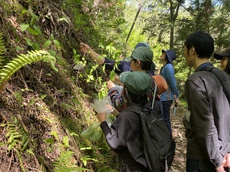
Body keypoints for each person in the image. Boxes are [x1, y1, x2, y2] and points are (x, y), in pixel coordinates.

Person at [183, 31, 230, 172]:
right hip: (224, 152)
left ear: (192, 50)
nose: (184, 53)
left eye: (184, 49)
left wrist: (217, 164)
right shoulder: (223, 75)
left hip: (203, 158)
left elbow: (204, 124)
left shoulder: (195, 80)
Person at [96, 71, 152, 172]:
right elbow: (134, 126)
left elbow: (114, 143)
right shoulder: (149, 110)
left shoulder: (127, 115)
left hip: (133, 167)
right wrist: (117, 114)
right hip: (148, 164)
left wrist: (103, 122)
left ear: (126, 91)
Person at [159, 49, 179, 133]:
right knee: (163, 118)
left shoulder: (168, 67)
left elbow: (172, 82)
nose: (162, 54)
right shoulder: (165, 67)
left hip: (166, 98)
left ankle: (168, 139)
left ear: (167, 56)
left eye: (164, 53)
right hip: (163, 97)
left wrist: (176, 95)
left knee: (165, 119)